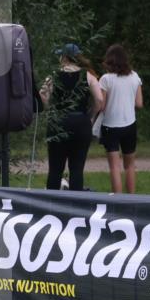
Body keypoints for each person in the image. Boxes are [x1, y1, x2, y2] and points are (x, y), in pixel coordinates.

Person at [39, 43, 104, 191]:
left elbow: (43, 96)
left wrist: (52, 111)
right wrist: (91, 115)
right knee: (76, 169)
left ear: (64, 57)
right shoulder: (88, 76)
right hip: (81, 123)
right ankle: (75, 206)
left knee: (55, 169)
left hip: (58, 123)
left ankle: (51, 204)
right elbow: (100, 100)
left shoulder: (54, 75)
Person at [97, 44, 143, 193]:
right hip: (129, 125)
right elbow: (139, 103)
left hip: (110, 126)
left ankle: (117, 202)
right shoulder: (134, 76)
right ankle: (131, 199)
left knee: (114, 167)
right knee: (130, 165)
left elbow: (101, 106)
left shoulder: (105, 79)